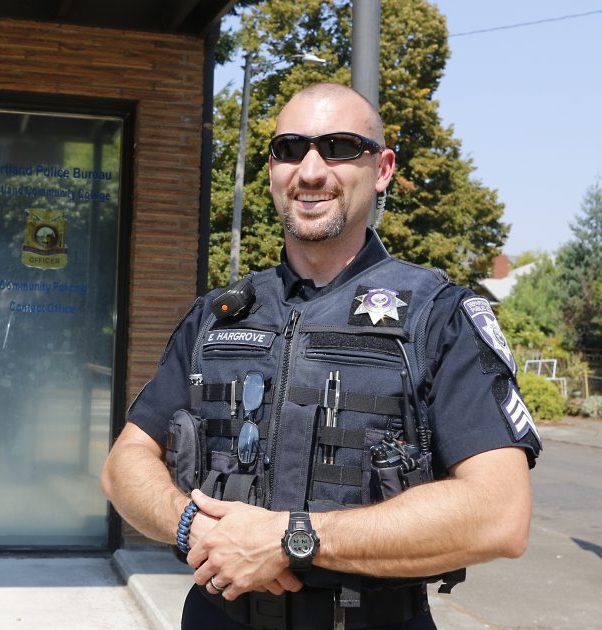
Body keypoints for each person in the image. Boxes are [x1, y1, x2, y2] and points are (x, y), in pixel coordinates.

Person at [101, 82, 541, 630]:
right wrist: (191, 523)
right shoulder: (218, 315)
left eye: (337, 147)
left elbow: (500, 514)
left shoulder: (439, 316)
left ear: (381, 169)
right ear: (271, 171)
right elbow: (124, 465)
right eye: (289, 149)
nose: (310, 171)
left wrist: (293, 539)